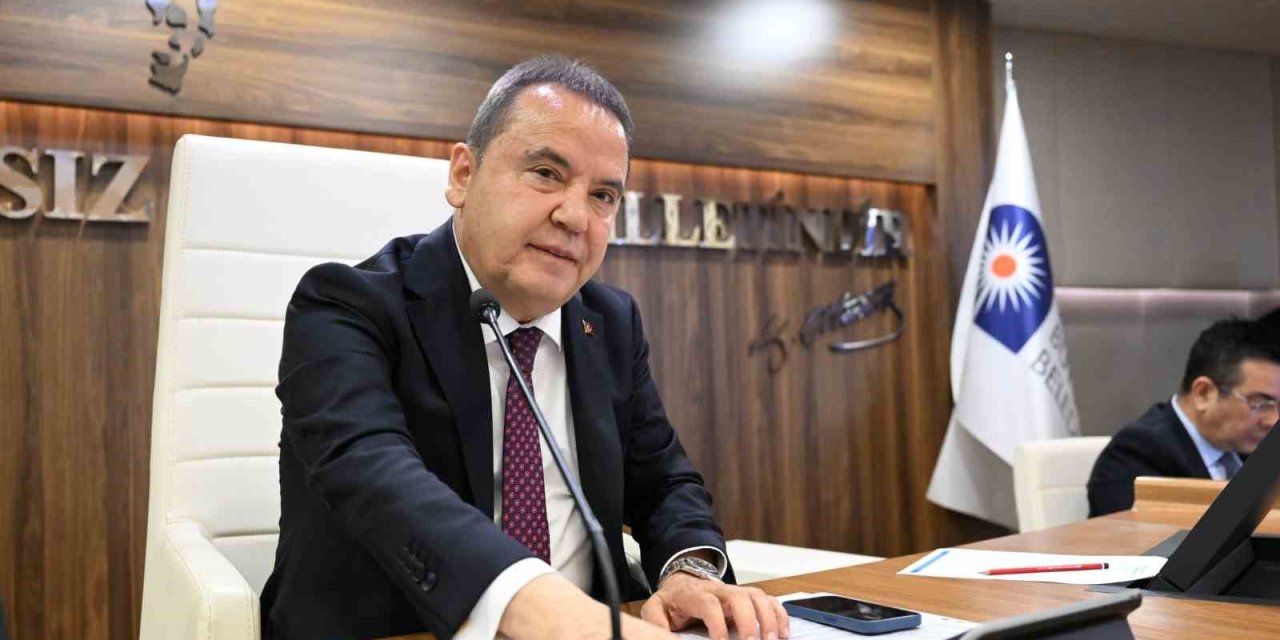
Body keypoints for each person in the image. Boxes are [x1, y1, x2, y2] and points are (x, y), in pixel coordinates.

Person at [259, 55, 790, 640]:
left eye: (603, 195)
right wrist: (556, 615)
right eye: (545, 173)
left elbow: (663, 481)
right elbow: (374, 476)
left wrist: (689, 572)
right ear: (463, 175)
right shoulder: (344, 304)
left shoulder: (610, 322)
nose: (574, 217)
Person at [1087, 319, 1280, 517]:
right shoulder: (1135, 454)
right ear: (1203, 393)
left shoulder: (1254, 448)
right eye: (1260, 403)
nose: (1273, 421)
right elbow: (1137, 535)